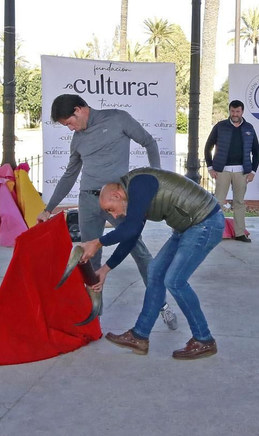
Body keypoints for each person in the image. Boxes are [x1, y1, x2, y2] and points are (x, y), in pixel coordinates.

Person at [42, 93, 176, 330]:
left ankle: (161, 304)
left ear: (79, 109)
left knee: (138, 251)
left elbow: (149, 142)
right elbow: (70, 175)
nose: (70, 129)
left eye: (70, 123)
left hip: (116, 201)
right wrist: (48, 209)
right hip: (88, 201)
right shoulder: (78, 139)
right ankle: (94, 318)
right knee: (89, 258)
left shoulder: (118, 119)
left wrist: (156, 176)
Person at [82, 168, 225, 360]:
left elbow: (130, 228)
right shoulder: (134, 196)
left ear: (117, 195)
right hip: (187, 228)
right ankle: (139, 336)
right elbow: (131, 235)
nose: (113, 216)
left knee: (175, 281)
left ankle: (204, 339)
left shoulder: (140, 184)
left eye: (110, 209)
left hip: (205, 223)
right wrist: (106, 269)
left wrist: (98, 241)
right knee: (155, 271)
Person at [203, 100, 259, 242]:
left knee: (239, 202)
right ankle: (216, 232)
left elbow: (256, 151)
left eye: (238, 111)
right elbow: (208, 147)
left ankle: (240, 233)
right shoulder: (220, 126)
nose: (235, 114)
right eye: (233, 111)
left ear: (242, 112)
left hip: (242, 171)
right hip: (222, 170)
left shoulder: (249, 128)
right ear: (229, 111)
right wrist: (210, 167)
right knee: (218, 202)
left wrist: (253, 171)